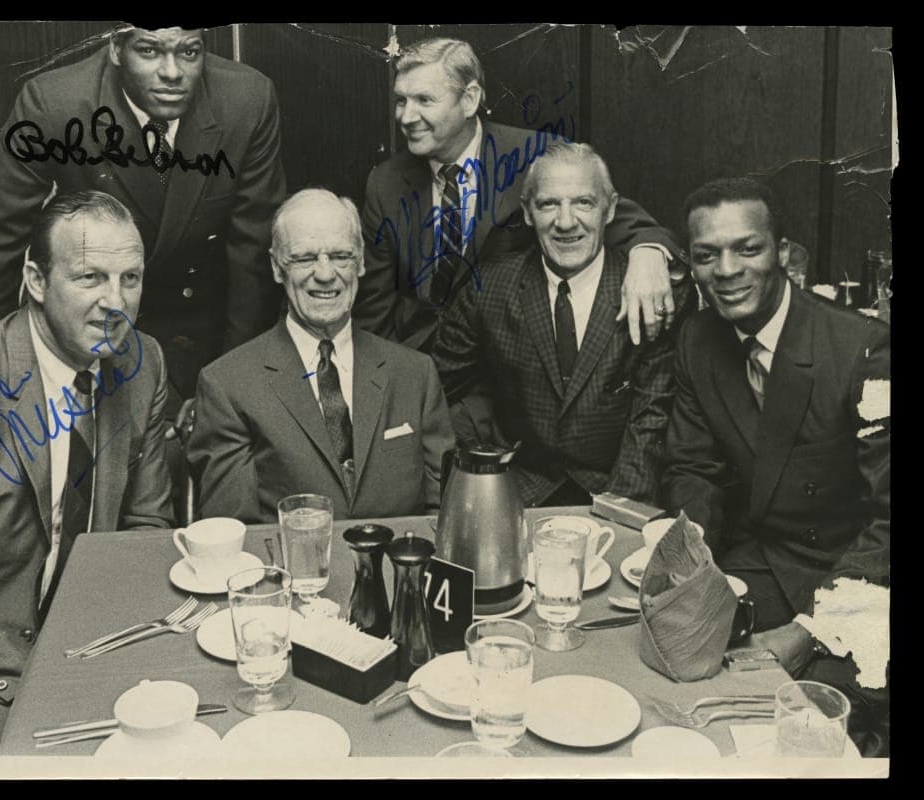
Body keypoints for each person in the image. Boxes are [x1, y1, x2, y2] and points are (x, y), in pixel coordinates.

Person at [0, 191, 175, 755]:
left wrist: (114, 652)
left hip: (89, 644)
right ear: (37, 281)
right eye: (90, 277)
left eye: (131, 279)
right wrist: (47, 676)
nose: (115, 303)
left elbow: (145, 530)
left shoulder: (142, 364)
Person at [662, 177, 889, 753]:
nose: (727, 270)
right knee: (668, 676)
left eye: (748, 248)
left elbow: (889, 523)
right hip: (764, 563)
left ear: (783, 253)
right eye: (707, 255)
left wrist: (810, 630)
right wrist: (694, 564)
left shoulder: (866, 350)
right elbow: (694, 469)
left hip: (860, 584)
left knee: (804, 733)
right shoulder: (697, 339)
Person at [0, 23, 286, 403]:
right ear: (115, 48)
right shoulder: (53, 103)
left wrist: (232, 387)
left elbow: (254, 258)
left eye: (189, 52)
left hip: (203, 335)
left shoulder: (248, 100)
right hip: (90, 332)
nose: (172, 72)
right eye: (149, 51)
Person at [354, 36, 684, 353]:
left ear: (469, 100)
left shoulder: (538, 157)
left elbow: (623, 221)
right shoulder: (386, 183)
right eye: (401, 100)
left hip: (509, 364)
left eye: (424, 100)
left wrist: (647, 254)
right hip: (421, 363)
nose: (406, 117)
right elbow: (373, 311)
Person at [432, 142, 693, 507]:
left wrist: (619, 515)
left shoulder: (651, 295)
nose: (566, 221)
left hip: (613, 490)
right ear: (527, 213)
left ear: (610, 209)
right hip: (517, 489)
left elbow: (650, 422)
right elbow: (434, 389)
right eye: (548, 204)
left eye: (583, 202)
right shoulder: (488, 287)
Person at [187, 189, 455, 523]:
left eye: (341, 256)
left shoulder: (416, 374)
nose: (326, 274)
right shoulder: (228, 385)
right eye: (304, 258)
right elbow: (234, 532)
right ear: (277, 267)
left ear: (360, 263)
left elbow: (446, 515)